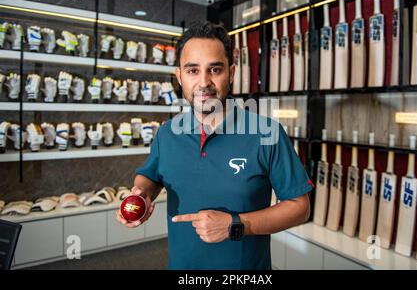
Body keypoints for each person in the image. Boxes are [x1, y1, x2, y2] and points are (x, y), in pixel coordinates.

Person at [116, 21, 312, 270]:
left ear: (231, 72)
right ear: (179, 76)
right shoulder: (167, 133)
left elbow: (299, 207)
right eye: (192, 70)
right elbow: (150, 176)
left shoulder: (267, 133)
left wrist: (236, 224)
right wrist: (141, 194)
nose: (204, 82)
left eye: (215, 70)